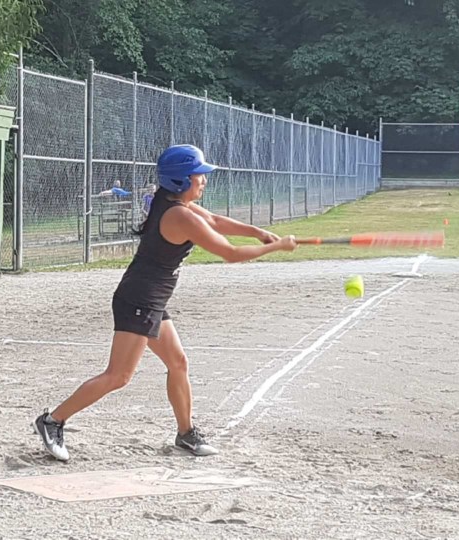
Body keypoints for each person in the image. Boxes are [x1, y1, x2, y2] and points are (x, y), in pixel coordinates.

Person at [32, 144, 297, 461]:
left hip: (149, 298)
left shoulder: (174, 204)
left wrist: (257, 232)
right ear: (181, 181)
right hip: (139, 300)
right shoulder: (179, 215)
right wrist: (276, 247)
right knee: (118, 376)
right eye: (198, 175)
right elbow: (230, 253)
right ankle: (53, 421)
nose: (204, 180)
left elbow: (213, 219)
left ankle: (185, 434)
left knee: (178, 362)